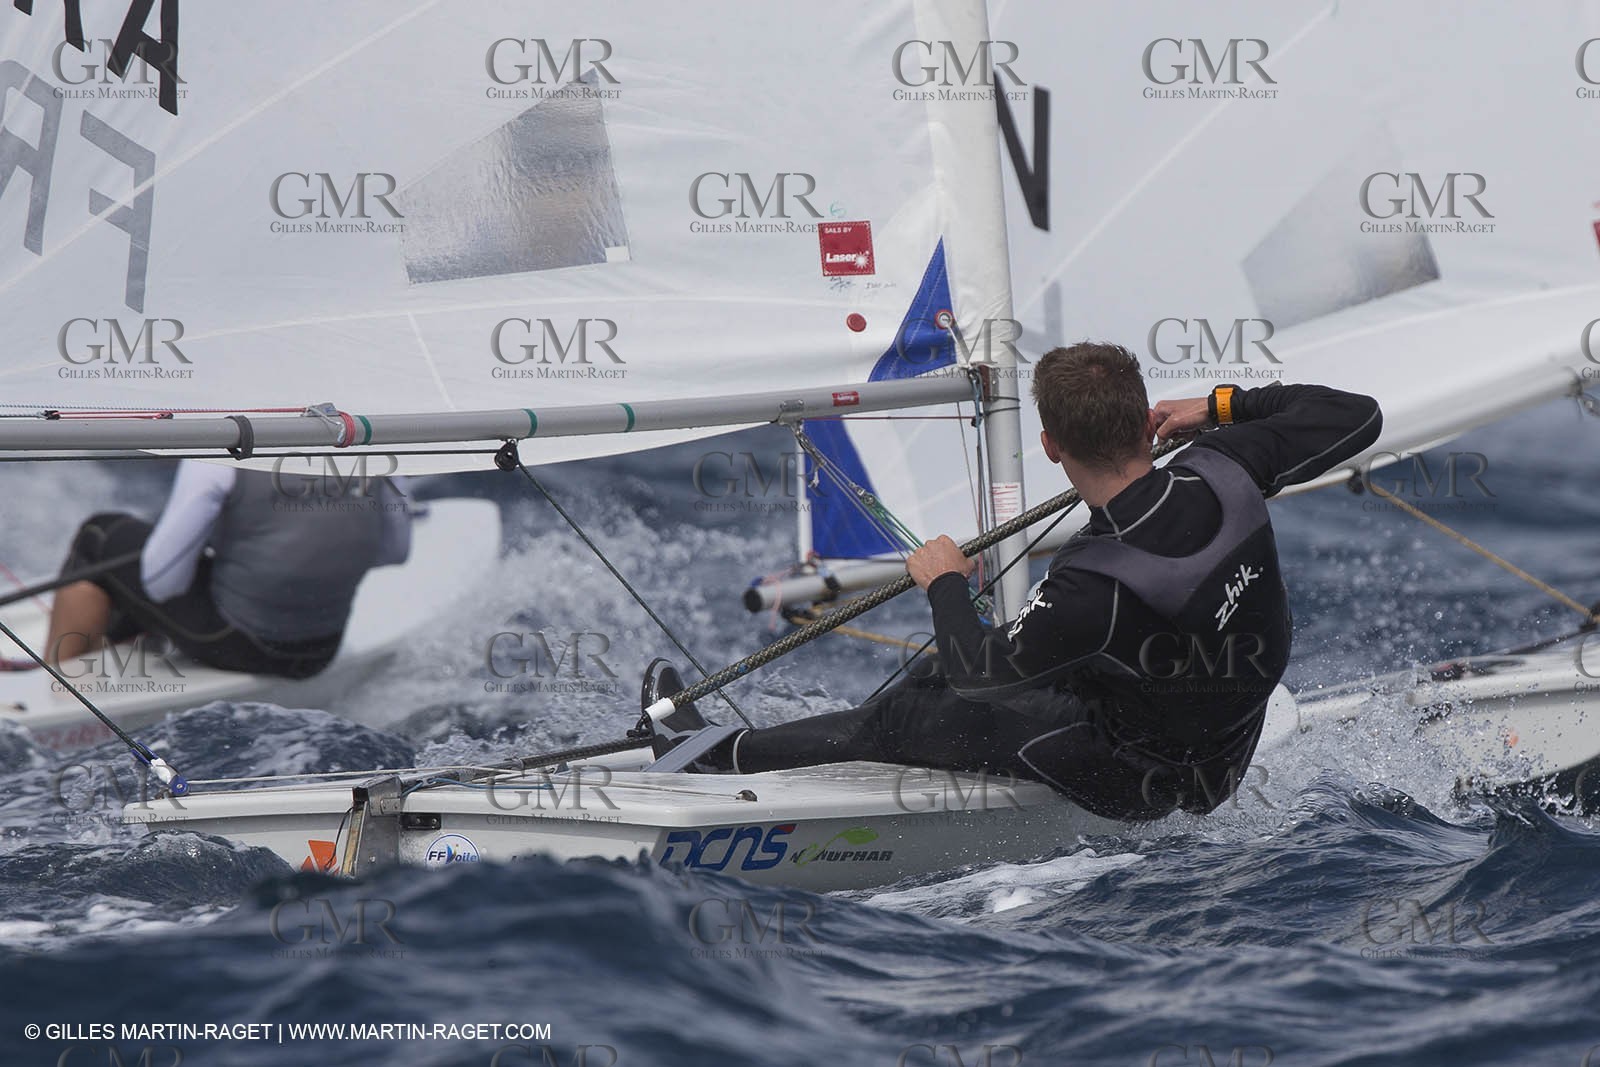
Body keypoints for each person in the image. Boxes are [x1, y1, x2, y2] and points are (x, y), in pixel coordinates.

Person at [645, 342, 1382, 821]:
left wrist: (943, 582)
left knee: (912, 706)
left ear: (1050, 446)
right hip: (1229, 736)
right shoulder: (1227, 462)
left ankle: (708, 754)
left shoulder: (1091, 581)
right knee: (991, 668)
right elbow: (1358, 415)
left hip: (1157, 781)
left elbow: (978, 675)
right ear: (1143, 414)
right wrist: (1221, 405)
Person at [44, 459, 412, 679]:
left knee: (99, 535)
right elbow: (395, 552)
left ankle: (58, 683)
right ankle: (121, 636)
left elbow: (159, 584)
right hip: (322, 648)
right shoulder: (366, 439)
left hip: (240, 646)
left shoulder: (223, 450)